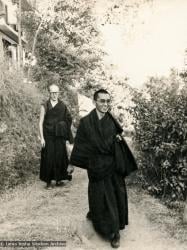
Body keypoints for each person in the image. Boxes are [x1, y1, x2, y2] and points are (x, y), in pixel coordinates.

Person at [69, 89, 138, 248]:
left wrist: (118, 141)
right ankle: (98, 221)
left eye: (108, 101)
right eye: (102, 101)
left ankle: (115, 233)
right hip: (95, 167)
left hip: (112, 166)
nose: (106, 104)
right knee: (97, 197)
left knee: (114, 198)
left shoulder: (112, 121)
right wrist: (72, 163)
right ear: (95, 102)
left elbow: (119, 140)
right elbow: (80, 144)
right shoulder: (86, 122)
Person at [39, 84, 73, 189]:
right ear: (49, 93)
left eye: (56, 92)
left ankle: (58, 179)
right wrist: (42, 138)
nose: (54, 95)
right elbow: (40, 122)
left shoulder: (63, 105)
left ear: (59, 93)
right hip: (48, 136)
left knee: (60, 157)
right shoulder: (45, 105)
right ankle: (48, 182)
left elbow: (69, 119)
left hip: (59, 136)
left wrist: (65, 131)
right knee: (48, 158)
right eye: (52, 92)